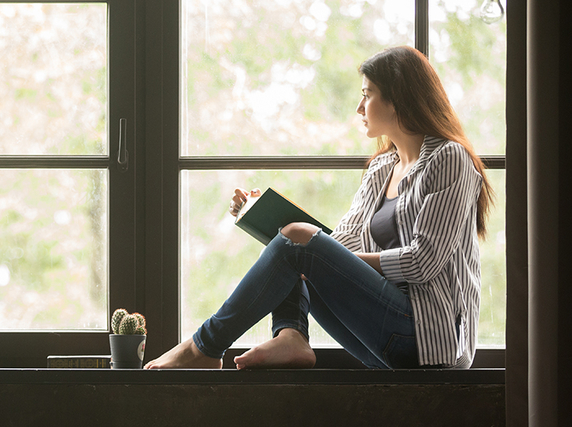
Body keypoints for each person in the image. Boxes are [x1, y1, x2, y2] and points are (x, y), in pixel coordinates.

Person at [145, 46, 494, 370]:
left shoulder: (449, 158)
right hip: (384, 333)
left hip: (428, 341)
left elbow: (423, 262)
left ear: (397, 99)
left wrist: (310, 247)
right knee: (294, 238)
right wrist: (266, 220)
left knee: (300, 241)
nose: (360, 108)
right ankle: (291, 335)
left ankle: (202, 349)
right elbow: (341, 244)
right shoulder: (382, 167)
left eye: (367, 94)